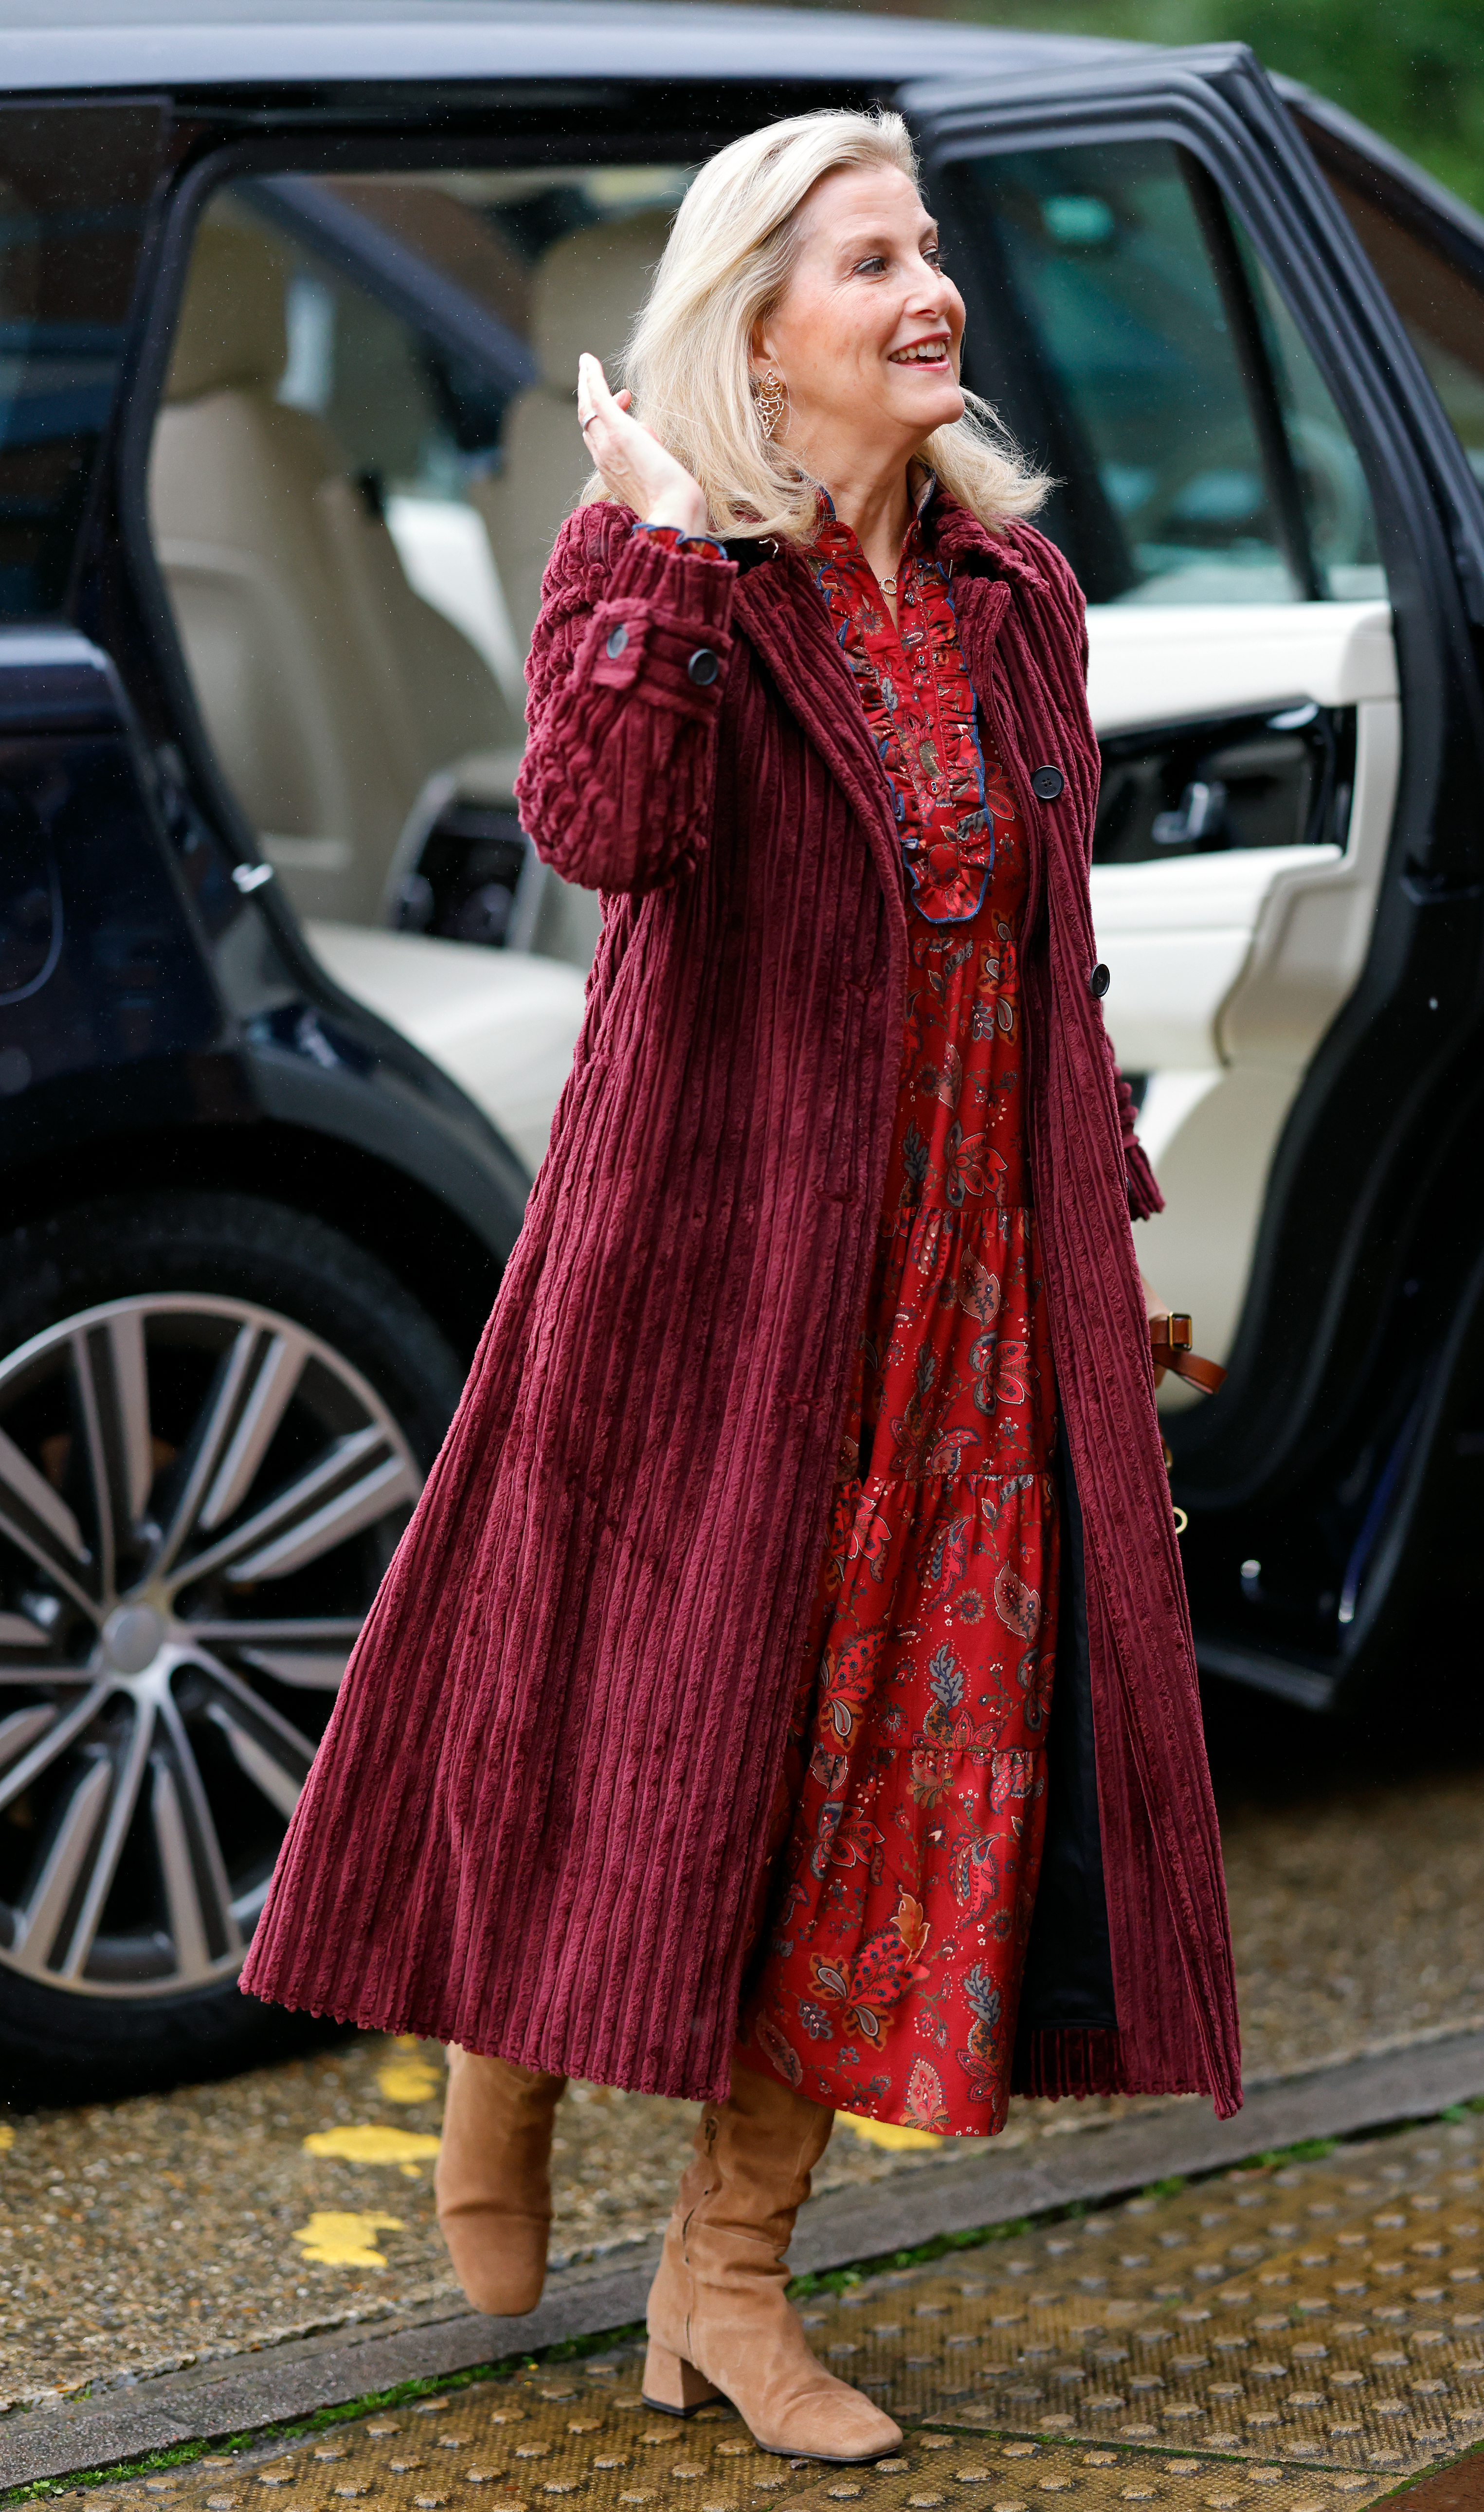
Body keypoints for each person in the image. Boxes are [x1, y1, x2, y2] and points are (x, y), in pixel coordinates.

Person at [242, 108, 1240, 2468]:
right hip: (711, 1268)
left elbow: (1042, 944)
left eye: (930, 251)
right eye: (868, 262)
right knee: (636, 1722)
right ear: (755, 329)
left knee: (897, 1783)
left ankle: (726, 2276)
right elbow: (604, 829)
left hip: (967, 1303)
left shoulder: (1017, 603)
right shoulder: (649, 560)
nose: (931, 294)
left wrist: (1096, 1223)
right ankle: (503, 2059)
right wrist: (668, 548)